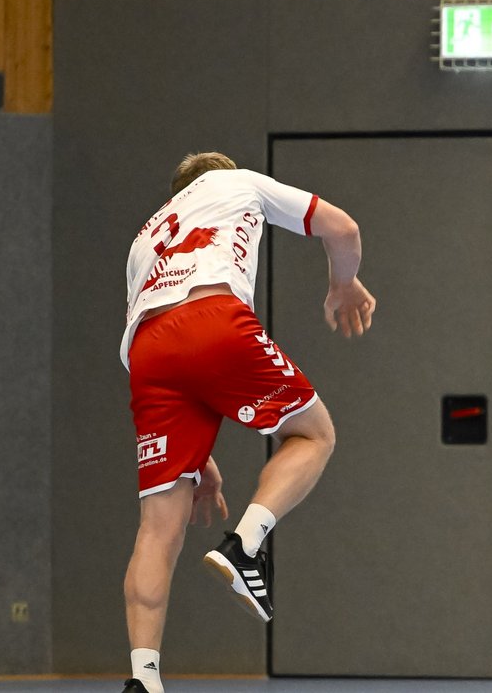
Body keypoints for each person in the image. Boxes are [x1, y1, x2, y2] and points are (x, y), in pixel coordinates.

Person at [120, 153, 374, 693]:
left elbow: (168, 349)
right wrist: (342, 283)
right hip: (212, 317)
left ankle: (143, 677)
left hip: (148, 356)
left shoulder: (145, 238)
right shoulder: (235, 181)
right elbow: (343, 228)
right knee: (314, 434)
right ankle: (247, 544)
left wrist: (196, 459)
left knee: (157, 529)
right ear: (218, 172)